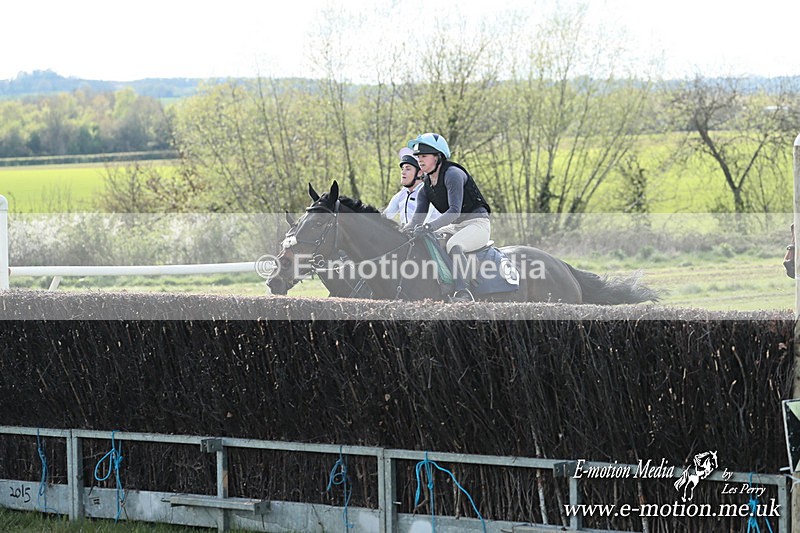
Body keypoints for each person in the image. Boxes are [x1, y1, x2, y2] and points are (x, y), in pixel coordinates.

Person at [402, 132, 491, 302]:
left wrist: (430, 226)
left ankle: (464, 292)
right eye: (418, 156)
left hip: (478, 223)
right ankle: (443, 285)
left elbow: (454, 211)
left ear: (438, 157)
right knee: (430, 240)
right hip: (456, 226)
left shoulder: (453, 174)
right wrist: (400, 232)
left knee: (454, 244)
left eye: (424, 156)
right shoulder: (426, 185)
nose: (420, 160)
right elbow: (415, 221)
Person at [383, 148, 429, 226]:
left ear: (419, 173)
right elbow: (385, 216)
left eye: (408, 169)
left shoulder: (428, 192)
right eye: (402, 169)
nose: (403, 172)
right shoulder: (401, 194)